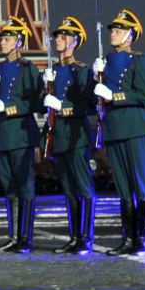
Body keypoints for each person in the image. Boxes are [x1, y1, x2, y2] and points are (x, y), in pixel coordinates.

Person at [94, 8, 145, 255]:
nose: (113, 33)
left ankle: (142, 239)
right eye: (113, 30)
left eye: (118, 30)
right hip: (113, 128)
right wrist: (94, 79)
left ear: (130, 36)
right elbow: (97, 98)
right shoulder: (105, 62)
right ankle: (127, 239)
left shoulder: (139, 60)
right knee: (122, 185)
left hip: (133, 126)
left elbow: (144, 94)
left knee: (140, 184)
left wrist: (114, 96)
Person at [0, 18, 43, 254]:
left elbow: (35, 101)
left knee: (25, 186)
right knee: (9, 186)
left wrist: (7, 106)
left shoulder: (27, 68)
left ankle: (25, 238)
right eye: (1, 38)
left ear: (19, 42)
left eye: (7, 38)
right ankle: (13, 236)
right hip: (3, 135)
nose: (2, 42)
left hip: (21, 132)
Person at [45, 16, 98, 255]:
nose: (59, 39)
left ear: (74, 42)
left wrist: (62, 105)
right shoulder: (52, 71)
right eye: (57, 35)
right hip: (59, 137)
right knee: (68, 189)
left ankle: (86, 238)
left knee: (83, 187)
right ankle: (74, 236)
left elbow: (90, 106)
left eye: (64, 36)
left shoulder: (82, 71)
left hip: (77, 136)